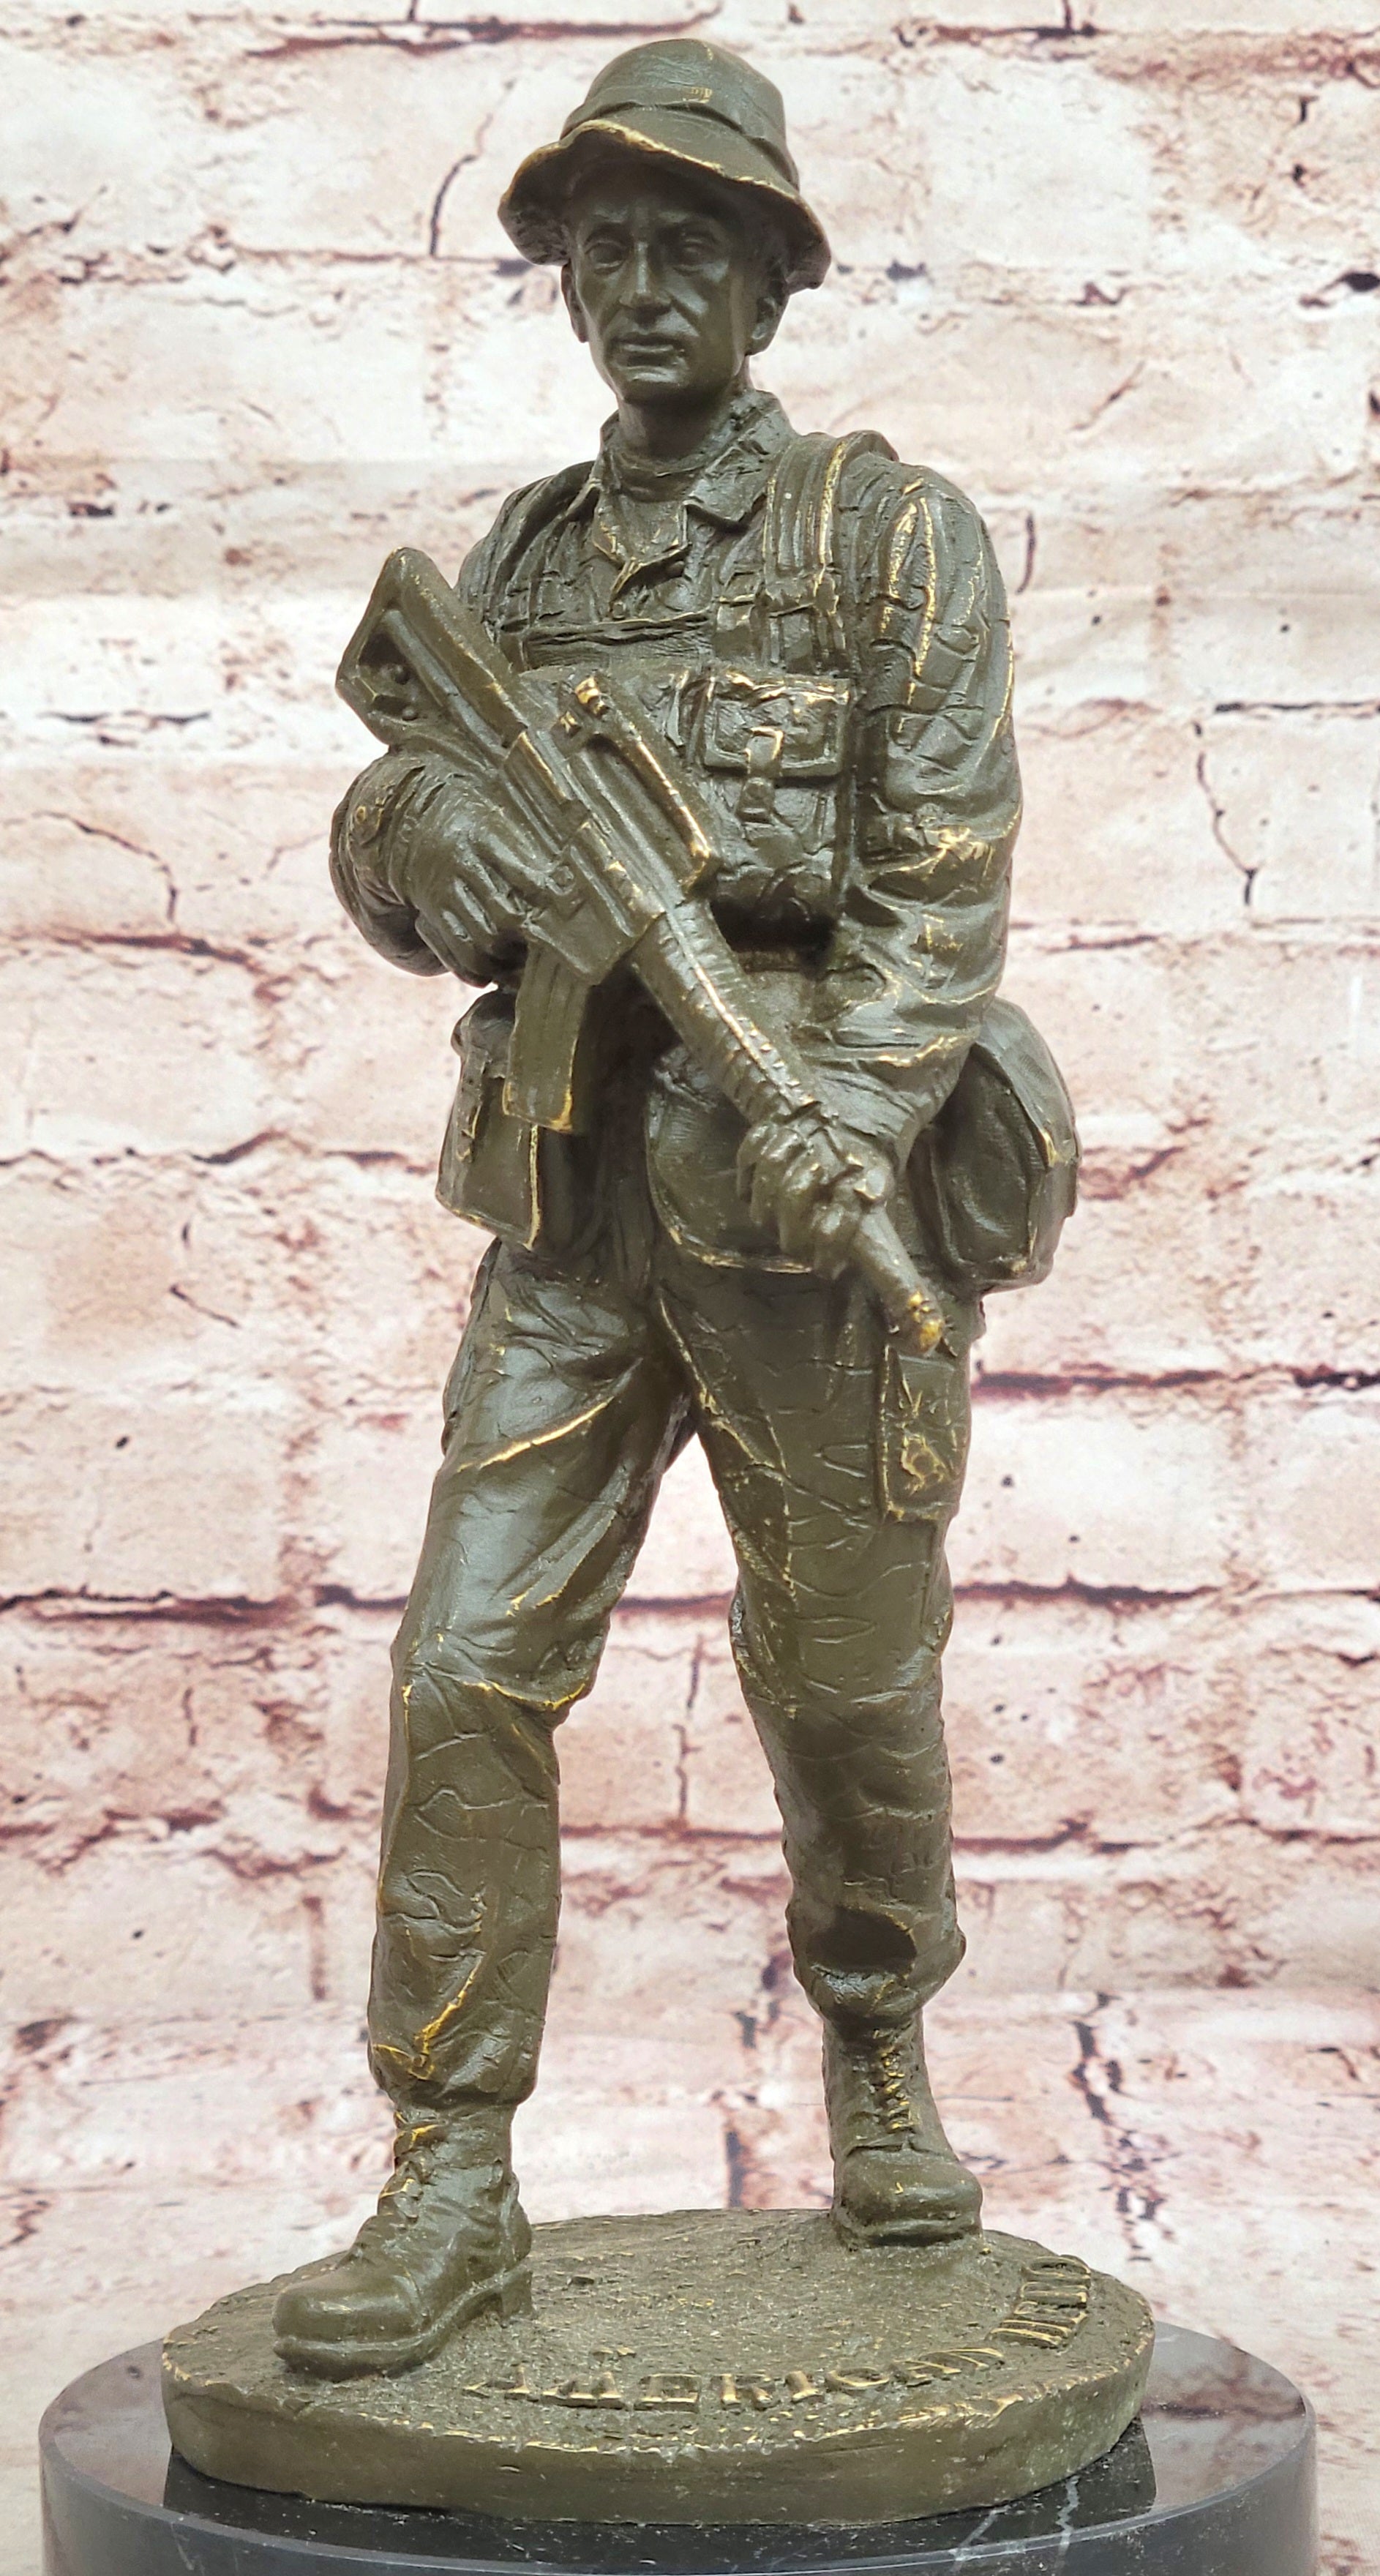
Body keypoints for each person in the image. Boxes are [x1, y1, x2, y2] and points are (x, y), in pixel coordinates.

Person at [274, 39, 1024, 2378]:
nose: (643, 284)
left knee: (847, 1681)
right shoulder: (515, 566)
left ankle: (879, 2051)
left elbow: (940, 877)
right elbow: (389, 823)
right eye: (605, 247)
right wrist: (444, 850)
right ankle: (449, 2169)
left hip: (804, 1215)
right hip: (569, 1202)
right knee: (464, 1664)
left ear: (774, 282)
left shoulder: (885, 542)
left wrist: (851, 1106)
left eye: (693, 245)